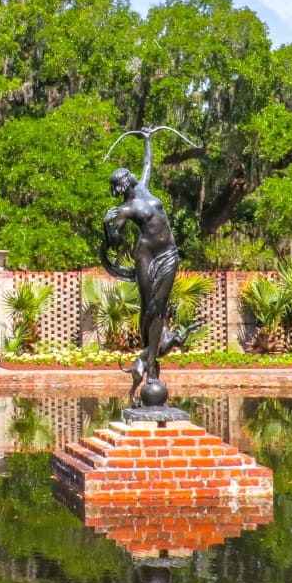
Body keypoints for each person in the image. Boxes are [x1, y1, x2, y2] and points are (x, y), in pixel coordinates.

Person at [100, 128, 180, 400]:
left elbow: (148, 163)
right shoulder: (125, 209)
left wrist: (147, 139)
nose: (130, 177)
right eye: (125, 178)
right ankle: (152, 371)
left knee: (160, 307)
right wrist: (107, 225)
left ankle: (150, 361)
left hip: (168, 253)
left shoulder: (144, 187)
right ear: (121, 185)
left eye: (128, 175)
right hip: (146, 257)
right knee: (150, 309)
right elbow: (115, 242)